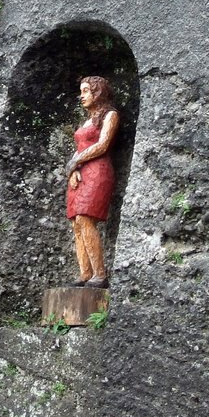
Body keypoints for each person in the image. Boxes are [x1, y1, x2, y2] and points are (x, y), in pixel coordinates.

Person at [66, 75, 120, 288]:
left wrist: (75, 161)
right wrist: (73, 170)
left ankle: (99, 274)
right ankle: (85, 273)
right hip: (79, 174)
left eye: (87, 90)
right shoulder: (86, 121)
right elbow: (81, 148)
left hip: (97, 171)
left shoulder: (110, 115)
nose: (82, 96)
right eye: (82, 91)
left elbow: (103, 144)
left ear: (98, 92)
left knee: (85, 218)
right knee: (77, 223)